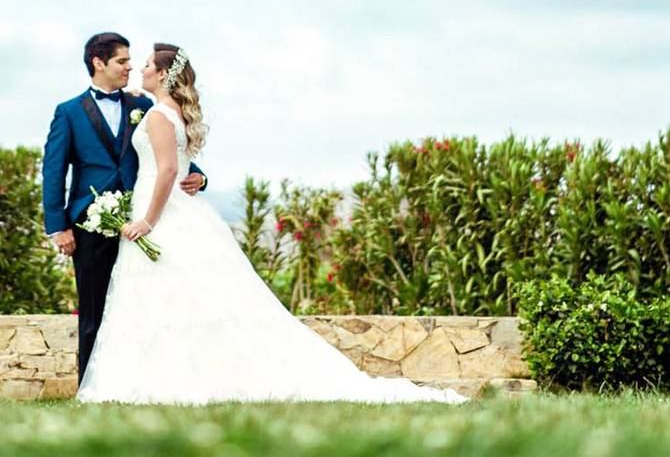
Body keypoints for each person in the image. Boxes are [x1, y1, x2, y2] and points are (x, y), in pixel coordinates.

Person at [75, 43, 468, 405]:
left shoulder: (159, 115)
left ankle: (159, 381)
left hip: (158, 209)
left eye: (144, 65)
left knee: (161, 293)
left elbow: (167, 171)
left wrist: (146, 220)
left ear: (163, 75)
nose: (138, 69)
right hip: (177, 209)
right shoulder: (167, 110)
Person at [42, 33, 208, 385]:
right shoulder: (68, 112)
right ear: (98, 63)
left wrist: (200, 178)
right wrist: (59, 226)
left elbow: (168, 153)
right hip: (90, 222)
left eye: (133, 61)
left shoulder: (144, 106)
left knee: (141, 302)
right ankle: (91, 385)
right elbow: (54, 170)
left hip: (142, 218)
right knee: (93, 309)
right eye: (122, 61)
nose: (130, 67)